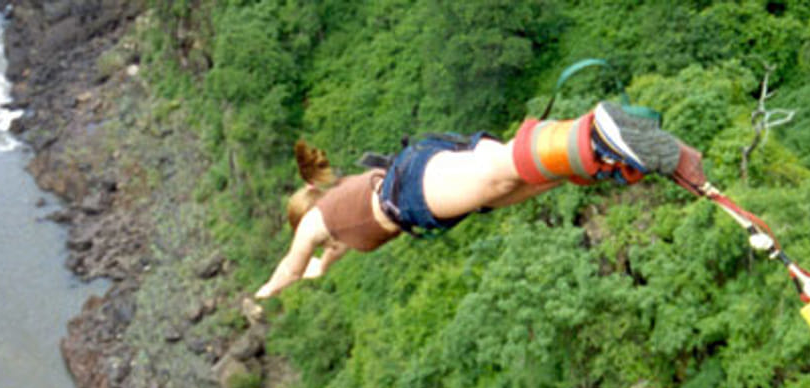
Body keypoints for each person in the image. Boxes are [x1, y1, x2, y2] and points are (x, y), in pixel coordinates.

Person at [254, 101, 687, 299]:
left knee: (502, 171)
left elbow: (292, 266)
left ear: (305, 216)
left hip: (414, 189)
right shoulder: (335, 229)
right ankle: (607, 152)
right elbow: (318, 263)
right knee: (532, 179)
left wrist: (269, 289)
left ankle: (593, 132)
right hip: (419, 183)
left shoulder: (316, 223)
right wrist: (316, 268)